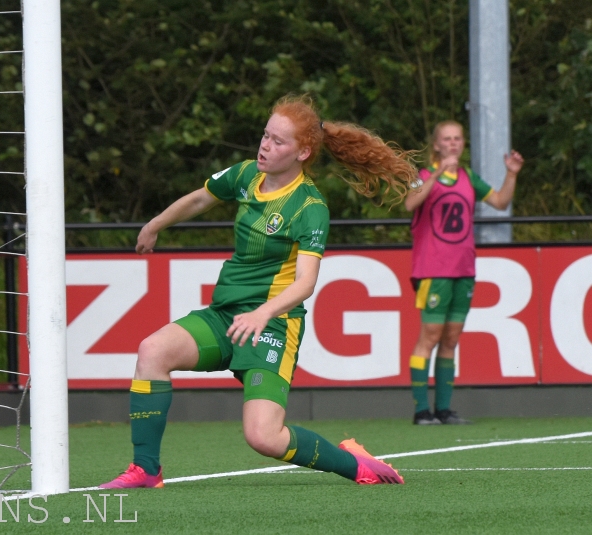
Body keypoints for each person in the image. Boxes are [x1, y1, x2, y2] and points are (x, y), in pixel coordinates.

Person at [100, 94, 417, 489]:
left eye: (278, 141)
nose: (265, 146)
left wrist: (264, 313)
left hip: (273, 325)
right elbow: (201, 197)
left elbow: (306, 282)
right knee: (152, 351)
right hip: (225, 317)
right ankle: (147, 470)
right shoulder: (248, 174)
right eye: (265, 136)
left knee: (263, 437)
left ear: (303, 151)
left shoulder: (309, 205)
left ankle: (355, 465)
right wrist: (155, 224)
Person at [405, 120, 524, 425]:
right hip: (433, 269)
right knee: (429, 335)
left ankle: (443, 409)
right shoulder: (422, 175)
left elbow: (500, 201)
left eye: (458, 138)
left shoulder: (468, 176)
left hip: (464, 268)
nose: (454, 143)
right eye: (447, 139)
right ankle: (421, 410)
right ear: (437, 145)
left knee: (451, 338)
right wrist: (436, 172)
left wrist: (511, 174)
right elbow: (410, 202)